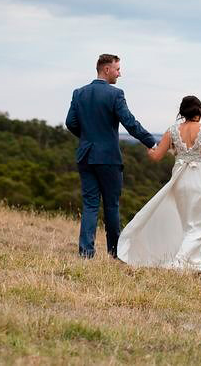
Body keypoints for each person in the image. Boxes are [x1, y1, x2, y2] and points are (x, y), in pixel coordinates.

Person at [118, 95, 201, 273]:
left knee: (188, 225)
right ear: (199, 111)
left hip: (181, 182)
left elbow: (156, 156)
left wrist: (149, 149)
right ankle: (178, 264)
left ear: (182, 111)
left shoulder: (172, 130)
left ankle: (197, 266)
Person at [66, 53, 157, 259]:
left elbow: (70, 123)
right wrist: (151, 142)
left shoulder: (79, 93)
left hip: (86, 155)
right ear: (106, 69)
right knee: (111, 205)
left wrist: (88, 137)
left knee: (90, 204)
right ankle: (114, 253)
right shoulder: (115, 94)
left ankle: (86, 253)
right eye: (117, 69)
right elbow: (130, 123)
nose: (120, 73)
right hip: (108, 158)